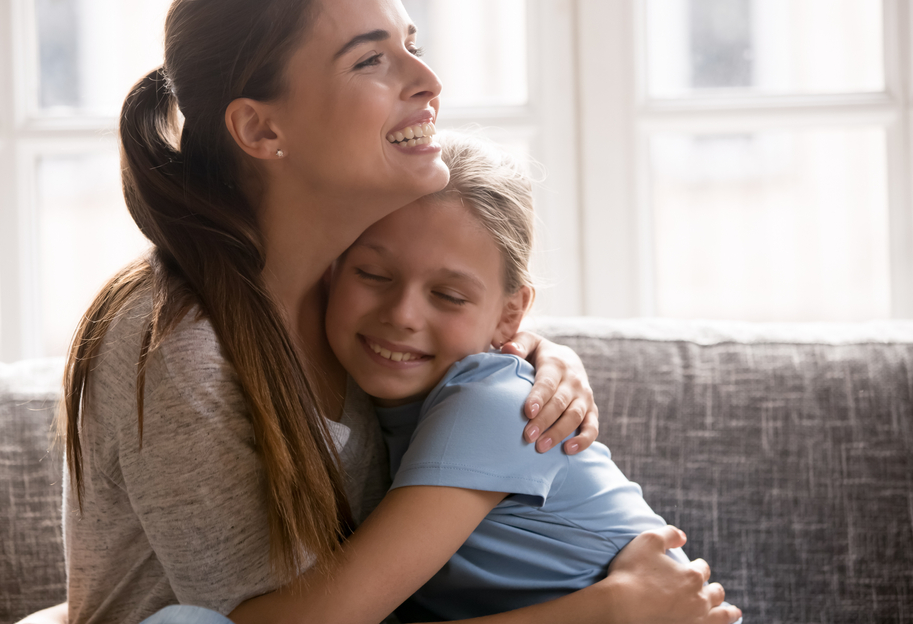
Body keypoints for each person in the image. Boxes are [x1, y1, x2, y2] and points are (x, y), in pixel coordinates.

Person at [23, 0, 738, 623]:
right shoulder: (183, 344)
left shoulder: (355, 313)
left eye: (412, 44)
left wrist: (532, 359)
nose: (428, 80)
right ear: (261, 127)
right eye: (370, 58)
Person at [305, 132, 739, 622]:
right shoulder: (353, 397)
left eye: (448, 296)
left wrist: (609, 610)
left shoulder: (493, 405)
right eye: (373, 274)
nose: (402, 314)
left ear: (510, 314)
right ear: (332, 267)